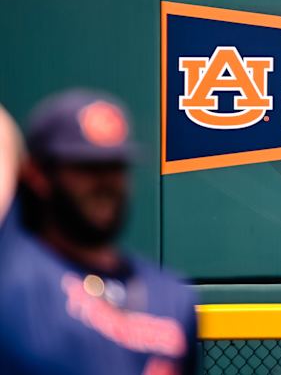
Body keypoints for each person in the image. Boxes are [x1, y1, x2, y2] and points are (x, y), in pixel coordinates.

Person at [0, 90, 198, 375]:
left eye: (114, 167)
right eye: (87, 167)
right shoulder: (14, 278)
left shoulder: (171, 298)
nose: (105, 183)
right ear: (38, 175)